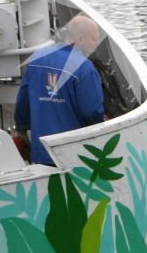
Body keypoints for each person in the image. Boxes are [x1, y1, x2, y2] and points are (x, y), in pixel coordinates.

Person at [13, 17, 105, 166]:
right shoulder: (85, 68)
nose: (96, 44)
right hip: (73, 154)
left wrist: (21, 128)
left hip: (40, 153)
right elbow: (92, 112)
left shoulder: (38, 58)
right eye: (94, 39)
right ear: (80, 38)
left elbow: (23, 101)